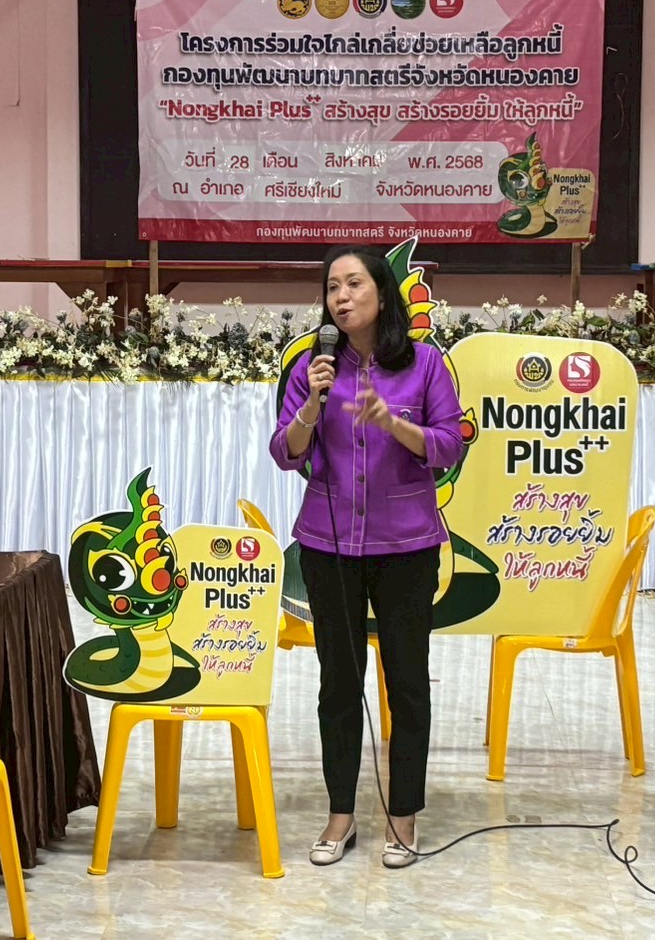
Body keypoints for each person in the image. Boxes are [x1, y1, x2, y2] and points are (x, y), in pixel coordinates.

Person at [270, 246, 464, 868]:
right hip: (328, 548)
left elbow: (448, 447)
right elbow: (285, 453)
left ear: (382, 294)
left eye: (354, 284)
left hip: (406, 547)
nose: (342, 296)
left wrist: (393, 423)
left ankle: (402, 815)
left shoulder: (426, 364)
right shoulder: (313, 367)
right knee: (337, 684)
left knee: (406, 682)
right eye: (332, 287)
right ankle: (340, 815)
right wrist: (311, 405)